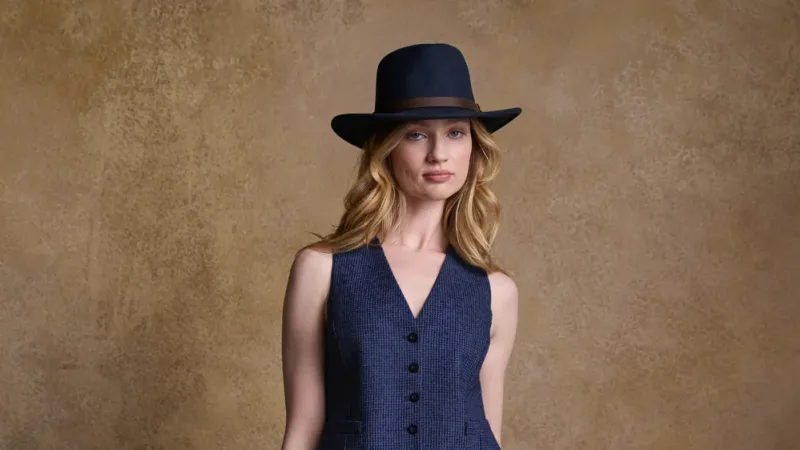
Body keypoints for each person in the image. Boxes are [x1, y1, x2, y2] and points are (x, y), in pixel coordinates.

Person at [281, 43, 521, 450]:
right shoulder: (322, 269)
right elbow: (302, 430)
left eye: (456, 133)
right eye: (416, 135)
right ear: (386, 148)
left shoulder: (497, 291)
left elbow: (489, 432)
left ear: (474, 147)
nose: (439, 154)